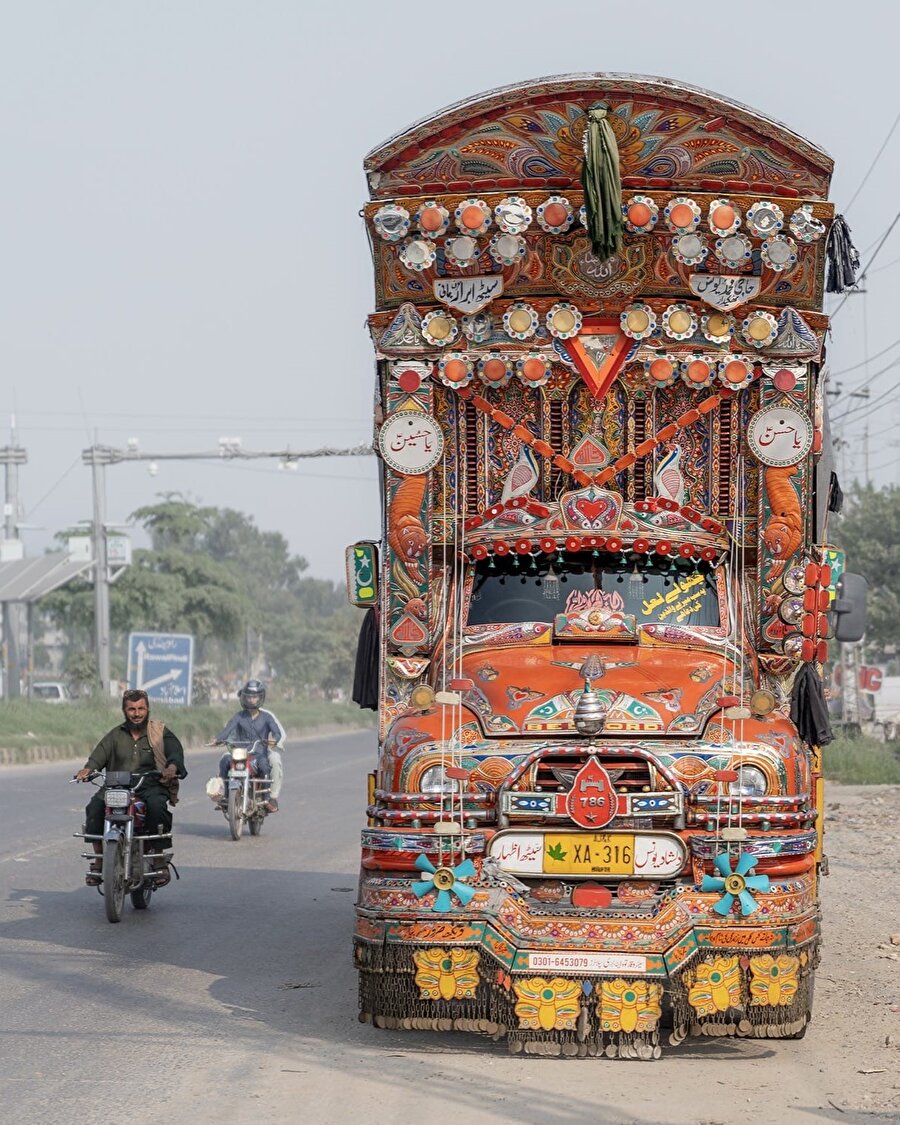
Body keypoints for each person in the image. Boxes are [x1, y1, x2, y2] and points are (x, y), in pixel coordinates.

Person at [75, 689, 187, 886]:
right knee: (94, 807)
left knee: (156, 807)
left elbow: (175, 752)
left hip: (149, 784)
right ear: (124, 711)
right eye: (132, 709)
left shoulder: (159, 732)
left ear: (148, 709)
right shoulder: (115, 735)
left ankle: (159, 859)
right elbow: (98, 756)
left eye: (141, 708)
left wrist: (172, 767)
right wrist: (88, 769)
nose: (137, 713)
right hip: (117, 785)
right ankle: (100, 861)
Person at [213, 679, 285, 812]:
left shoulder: (267, 717)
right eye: (249, 697)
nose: (252, 700)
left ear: (260, 697)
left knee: (265, 766)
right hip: (240, 753)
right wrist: (218, 739)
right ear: (244, 697)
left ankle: (268, 798)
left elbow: (276, 732)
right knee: (224, 761)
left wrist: (274, 739)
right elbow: (228, 729)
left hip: (259, 754)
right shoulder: (239, 716)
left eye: (255, 697)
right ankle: (225, 796)